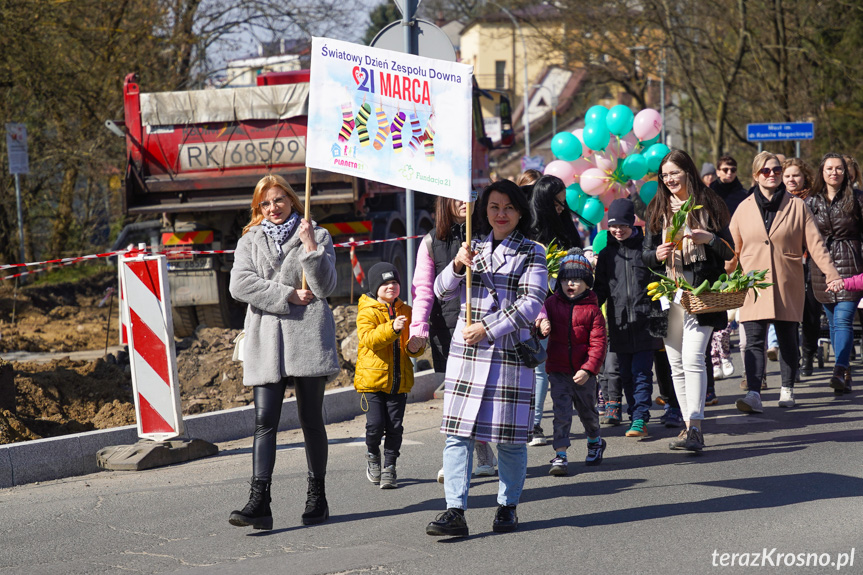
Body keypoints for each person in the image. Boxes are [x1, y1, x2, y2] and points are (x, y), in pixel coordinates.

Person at [425, 180, 547, 538]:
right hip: (467, 357)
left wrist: (488, 329)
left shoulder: (532, 251)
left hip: (507, 355)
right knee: (457, 435)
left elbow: (531, 302)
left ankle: (507, 506)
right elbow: (440, 290)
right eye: (494, 207)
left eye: (508, 207)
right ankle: (454, 511)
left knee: (509, 440)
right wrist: (458, 266)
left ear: (520, 211)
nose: (501, 214)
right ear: (485, 211)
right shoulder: (470, 247)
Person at [228, 174, 339, 530]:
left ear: (292, 200)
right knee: (264, 421)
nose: (272, 208)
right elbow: (239, 285)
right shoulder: (249, 240)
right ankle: (259, 502)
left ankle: (317, 497)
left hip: (307, 334)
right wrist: (287, 294)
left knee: (310, 419)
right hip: (266, 340)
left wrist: (309, 248)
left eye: (278, 200)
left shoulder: (318, 235)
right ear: (258, 209)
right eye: (265, 203)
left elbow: (323, 287)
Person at [731, 152, 841, 413]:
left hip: (786, 281)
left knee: (787, 338)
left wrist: (832, 273)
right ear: (756, 175)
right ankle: (754, 394)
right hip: (753, 285)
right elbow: (732, 251)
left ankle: (787, 388)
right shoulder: (743, 208)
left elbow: (816, 244)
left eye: (776, 170)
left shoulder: (797, 206)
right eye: (766, 171)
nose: (772, 175)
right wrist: (721, 280)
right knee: (754, 341)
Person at [643, 150, 734, 452]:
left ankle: (695, 427)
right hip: (669, 295)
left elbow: (730, 253)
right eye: (665, 174)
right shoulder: (657, 208)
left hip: (703, 294)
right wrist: (654, 255)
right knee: (676, 364)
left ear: (688, 173)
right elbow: (645, 255)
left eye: (674, 173)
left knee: (694, 357)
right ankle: (686, 426)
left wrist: (708, 239)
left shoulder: (710, 203)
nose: (669, 179)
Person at [409, 197, 498, 480]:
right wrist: (418, 327)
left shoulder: (489, 235)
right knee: (455, 399)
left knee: (479, 396)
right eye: (457, 197)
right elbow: (423, 289)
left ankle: (482, 454)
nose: (464, 202)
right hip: (446, 329)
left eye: (470, 196)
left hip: (484, 328)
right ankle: (457, 461)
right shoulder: (430, 241)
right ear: (445, 203)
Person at [594, 198, 661, 438]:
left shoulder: (646, 250)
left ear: (633, 222)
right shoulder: (605, 255)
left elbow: (660, 283)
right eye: (613, 225)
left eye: (623, 224)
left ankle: (640, 417)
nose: (618, 230)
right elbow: (600, 290)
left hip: (646, 322)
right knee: (626, 374)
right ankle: (635, 414)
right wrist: (588, 308)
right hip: (619, 323)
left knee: (642, 372)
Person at [355, 263, 426, 489]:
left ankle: (390, 467)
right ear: (375, 287)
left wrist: (416, 346)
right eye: (385, 283)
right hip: (372, 382)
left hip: (399, 381)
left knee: (395, 427)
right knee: (375, 425)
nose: (391, 287)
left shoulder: (407, 310)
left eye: (394, 282)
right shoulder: (367, 310)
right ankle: (372, 455)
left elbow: (411, 346)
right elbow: (369, 339)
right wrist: (393, 328)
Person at [537, 248, 606, 475]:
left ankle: (595, 440)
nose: (570, 284)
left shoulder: (593, 311)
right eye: (566, 278)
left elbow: (598, 345)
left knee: (587, 411)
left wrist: (588, 369)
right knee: (561, 413)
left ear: (587, 283)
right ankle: (560, 455)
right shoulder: (551, 303)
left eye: (576, 279)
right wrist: (541, 326)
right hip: (557, 370)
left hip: (583, 372)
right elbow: (538, 318)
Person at [526, 174, 583, 448]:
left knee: (557, 367)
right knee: (538, 367)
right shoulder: (530, 230)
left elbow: (577, 253)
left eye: (564, 201)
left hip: (563, 305)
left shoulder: (565, 225)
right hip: (534, 307)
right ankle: (533, 424)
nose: (562, 207)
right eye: (558, 202)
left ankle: (551, 423)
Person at [805, 153, 863, 395]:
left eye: (839, 169)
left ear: (845, 172)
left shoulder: (857, 199)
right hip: (821, 267)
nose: (834, 173)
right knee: (832, 322)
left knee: (843, 320)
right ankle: (845, 373)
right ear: (822, 172)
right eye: (829, 168)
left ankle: (839, 369)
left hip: (850, 262)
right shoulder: (810, 202)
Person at [782, 157, 822, 376]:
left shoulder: (813, 200)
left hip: (810, 261)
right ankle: (792, 358)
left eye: (795, 175)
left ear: (804, 176)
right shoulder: (778, 200)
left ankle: (808, 354)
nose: (791, 180)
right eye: (787, 176)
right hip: (787, 262)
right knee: (788, 314)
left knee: (810, 313)